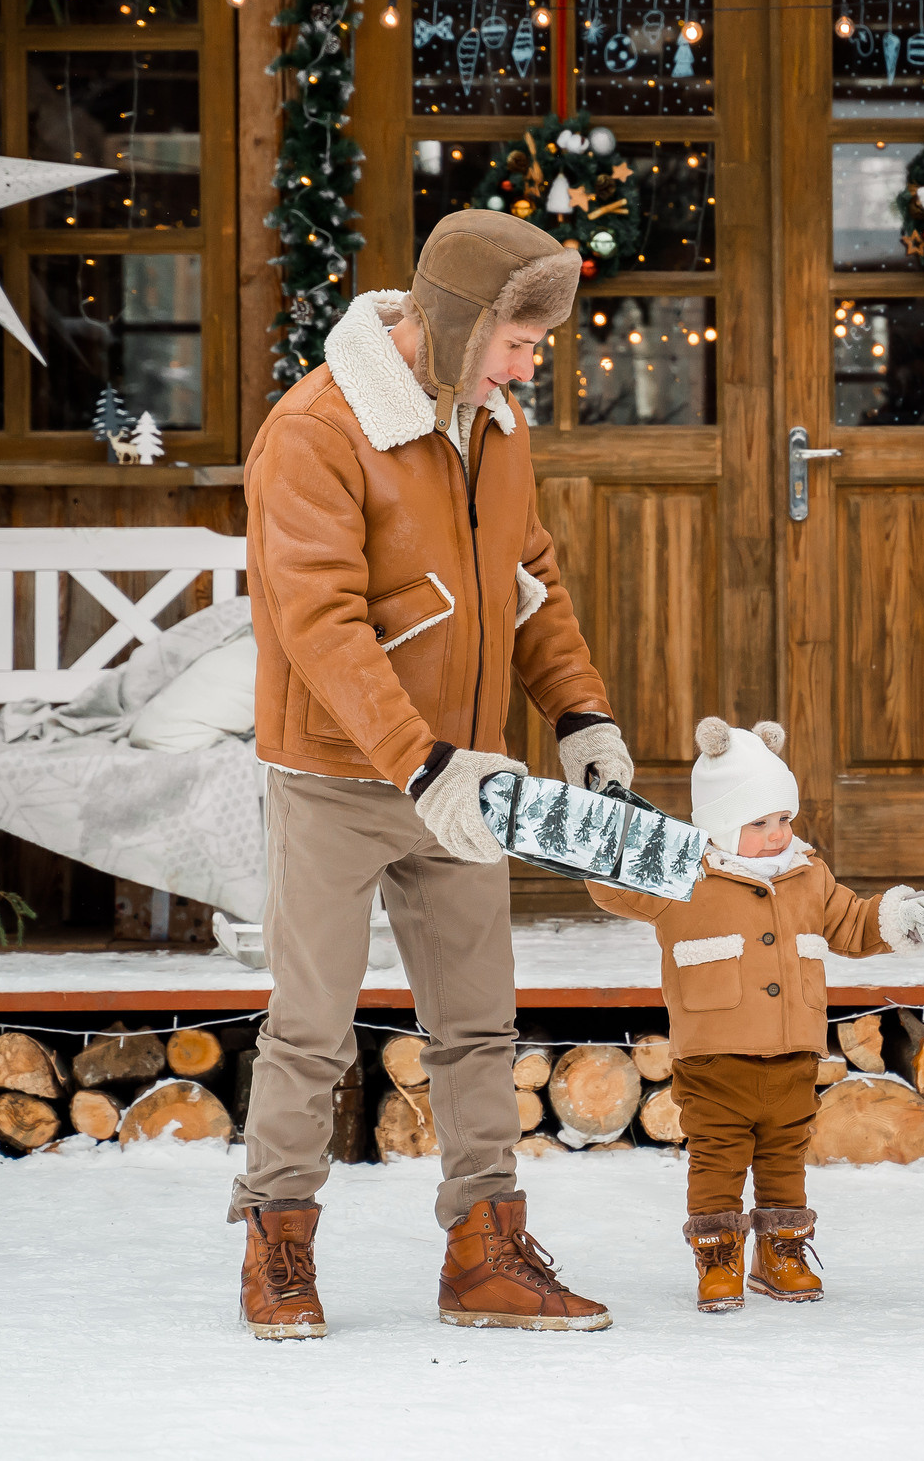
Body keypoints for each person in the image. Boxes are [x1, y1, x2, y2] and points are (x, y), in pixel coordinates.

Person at [230, 210, 640, 1337]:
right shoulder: (315, 430)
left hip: (465, 774)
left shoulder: (492, 424)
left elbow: (531, 583)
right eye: (516, 340)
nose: (528, 365)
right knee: (310, 1024)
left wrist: (581, 714)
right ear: (454, 323)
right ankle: (277, 1248)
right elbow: (318, 622)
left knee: (478, 1022)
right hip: (337, 776)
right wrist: (419, 762)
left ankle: (485, 1255)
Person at [588, 719, 924, 1313]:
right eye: (758, 822)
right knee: (716, 1163)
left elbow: (853, 923)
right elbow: (610, 887)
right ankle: (719, 1257)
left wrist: (903, 919)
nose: (777, 833)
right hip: (714, 1060)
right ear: (720, 824)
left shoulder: (809, 875)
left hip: (792, 1056)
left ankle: (781, 1254)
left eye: (784, 818)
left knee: (785, 1159)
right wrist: (610, 832)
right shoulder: (682, 875)